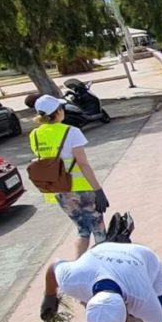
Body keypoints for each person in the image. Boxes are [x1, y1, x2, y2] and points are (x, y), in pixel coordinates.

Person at [28, 95, 109, 257]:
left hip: (59, 191)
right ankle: (104, 267)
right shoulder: (72, 132)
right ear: (58, 112)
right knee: (99, 231)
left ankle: (78, 265)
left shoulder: (35, 135)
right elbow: (83, 164)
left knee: (82, 231)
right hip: (82, 190)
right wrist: (98, 190)